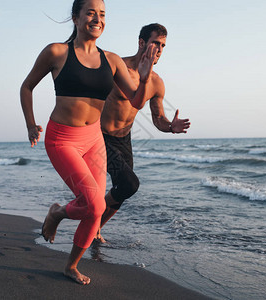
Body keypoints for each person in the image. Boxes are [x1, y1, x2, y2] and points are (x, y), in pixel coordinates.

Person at [20, 0, 157, 285]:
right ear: (76, 17)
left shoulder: (112, 59)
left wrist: (144, 78)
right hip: (62, 140)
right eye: (91, 12)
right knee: (95, 205)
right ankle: (57, 213)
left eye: (103, 14)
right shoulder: (56, 52)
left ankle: (70, 264)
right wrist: (31, 124)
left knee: (94, 212)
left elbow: (136, 100)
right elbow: (27, 86)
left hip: (94, 139)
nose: (97, 18)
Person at [97, 23, 190, 242]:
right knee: (128, 185)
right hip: (101, 136)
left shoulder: (156, 82)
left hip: (124, 139)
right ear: (142, 43)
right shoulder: (117, 67)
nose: (159, 49)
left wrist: (170, 127)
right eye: (156, 43)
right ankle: (86, 215)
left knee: (123, 191)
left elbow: (158, 119)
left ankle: (95, 228)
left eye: (163, 46)